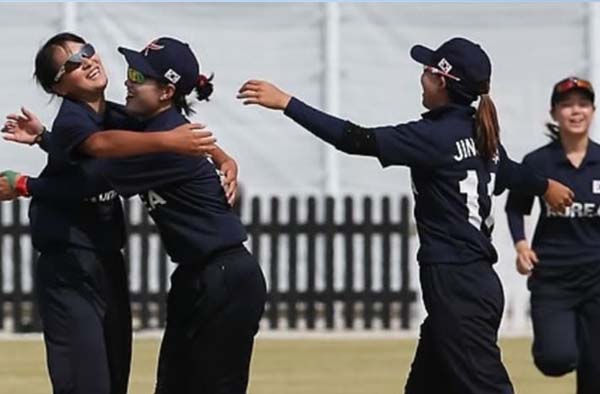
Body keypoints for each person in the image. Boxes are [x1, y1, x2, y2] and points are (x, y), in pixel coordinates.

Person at [237, 37, 574, 394]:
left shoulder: (433, 136)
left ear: (442, 81)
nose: (422, 78)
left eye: (427, 71)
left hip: (455, 284)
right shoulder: (481, 133)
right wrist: (545, 185)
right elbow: (509, 172)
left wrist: (287, 103)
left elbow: (355, 139)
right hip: (477, 284)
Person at [4, 36, 266, 394]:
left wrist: (24, 185)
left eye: (139, 76)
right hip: (194, 277)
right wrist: (44, 140)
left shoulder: (159, 141)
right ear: (58, 85)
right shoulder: (143, 126)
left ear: (165, 92)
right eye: (130, 71)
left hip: (224, 279)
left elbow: (94, 172)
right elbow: (96, 146)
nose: (129, 80)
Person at [505, 77, 600, 394]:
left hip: (597, 277)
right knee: (556, 358)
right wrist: (521, 246)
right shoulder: (538, 162)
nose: (576, 112)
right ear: (554, 113)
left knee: (596, 370)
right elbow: (515, 207)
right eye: (567, 105)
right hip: (554, 278)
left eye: (583, 104)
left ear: (593, 111)